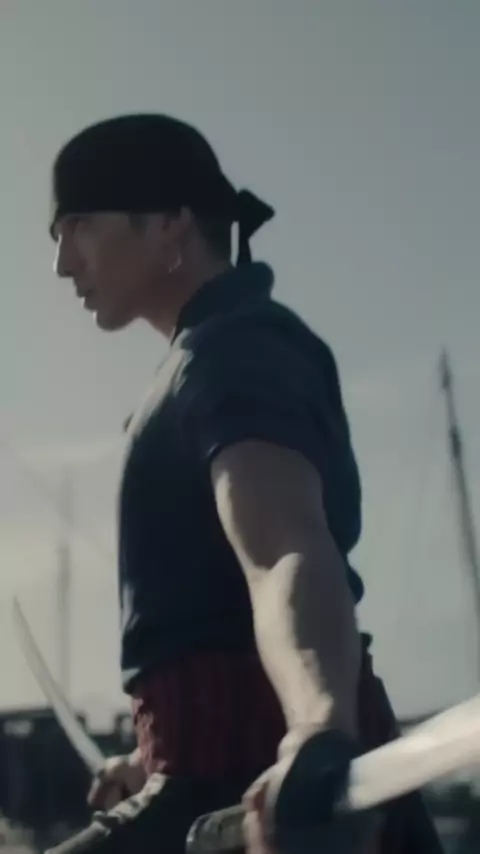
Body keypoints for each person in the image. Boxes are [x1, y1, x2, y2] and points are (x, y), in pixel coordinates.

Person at [47, 114, 442, 854]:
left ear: (170, 223)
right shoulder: (203, 357)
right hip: (212, 781)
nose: (63, 263)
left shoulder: (236, 349)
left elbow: (285, 550)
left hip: (284, 801)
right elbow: (218, 622)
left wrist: (318, 730)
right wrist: (154, 756)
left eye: (78, 226)